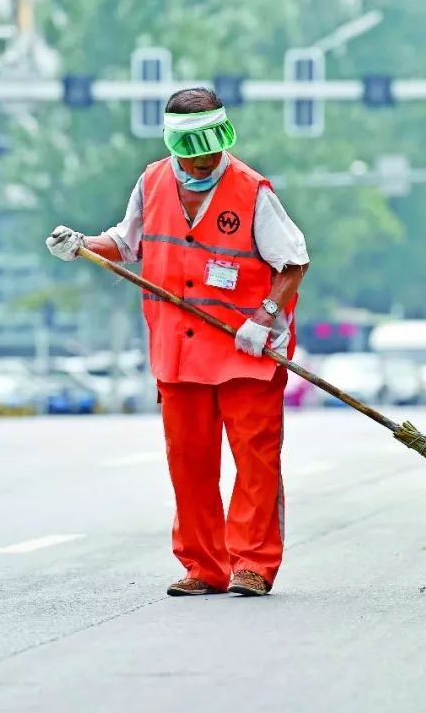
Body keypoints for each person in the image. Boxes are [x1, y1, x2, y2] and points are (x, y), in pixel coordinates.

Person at [45, 88, 309, 597]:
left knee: (255, 462)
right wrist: (82, 246)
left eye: (211, 146)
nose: (203, 159)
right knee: (189, 463)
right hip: (179, 354)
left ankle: (253, 563)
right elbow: (125, 244)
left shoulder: (253, 191)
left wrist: (266, 314)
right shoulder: (152, 182)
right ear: (173, 144)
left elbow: (294, 262)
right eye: (191, 149)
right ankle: (203, 566)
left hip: (245, 354)